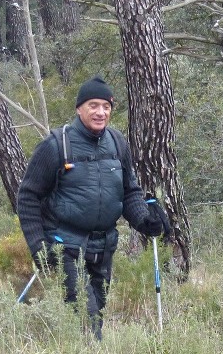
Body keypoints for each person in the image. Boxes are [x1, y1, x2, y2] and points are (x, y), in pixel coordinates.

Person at [16, 75, 169, 339]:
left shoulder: (118, 143)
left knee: (96, 313)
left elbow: (129, 191)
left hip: (104, 246)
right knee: (85, 320)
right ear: (79, 108)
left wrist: (145, 221)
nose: (100, 112)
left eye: (106, 106)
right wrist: (39, 248)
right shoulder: (55, 146)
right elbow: (27, 197)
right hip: (65, 246)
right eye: (93, 105)